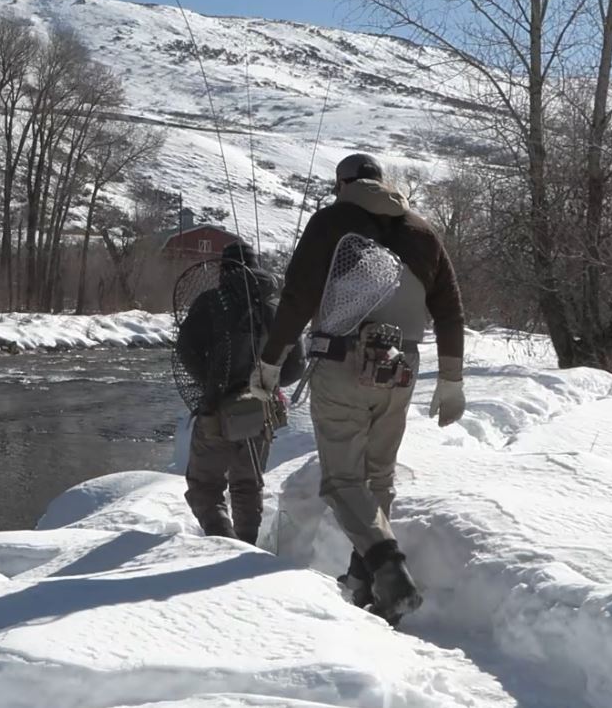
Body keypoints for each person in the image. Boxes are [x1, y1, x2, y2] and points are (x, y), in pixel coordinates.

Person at [252, 153, 466, 624]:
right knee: (379, 477)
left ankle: (390, 573)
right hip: (402, 370)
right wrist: (452, 378)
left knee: (344, 480)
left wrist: (270, 361)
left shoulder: (332, 222)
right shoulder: (423, 231)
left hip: (342, 362)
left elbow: (298, 296)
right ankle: (364, 581)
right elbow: (449, 309)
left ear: (343, 183)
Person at [177, 241, 303, 545]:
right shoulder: (277, 308)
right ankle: (245, 549)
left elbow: (185, 351)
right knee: (247, 485)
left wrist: (210, 384)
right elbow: (295, 369)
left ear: (224, 270)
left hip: (215, 411)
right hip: (261, 412)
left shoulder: (210, 302)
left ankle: (224, 543)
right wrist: (266, 385)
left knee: (204, 487)